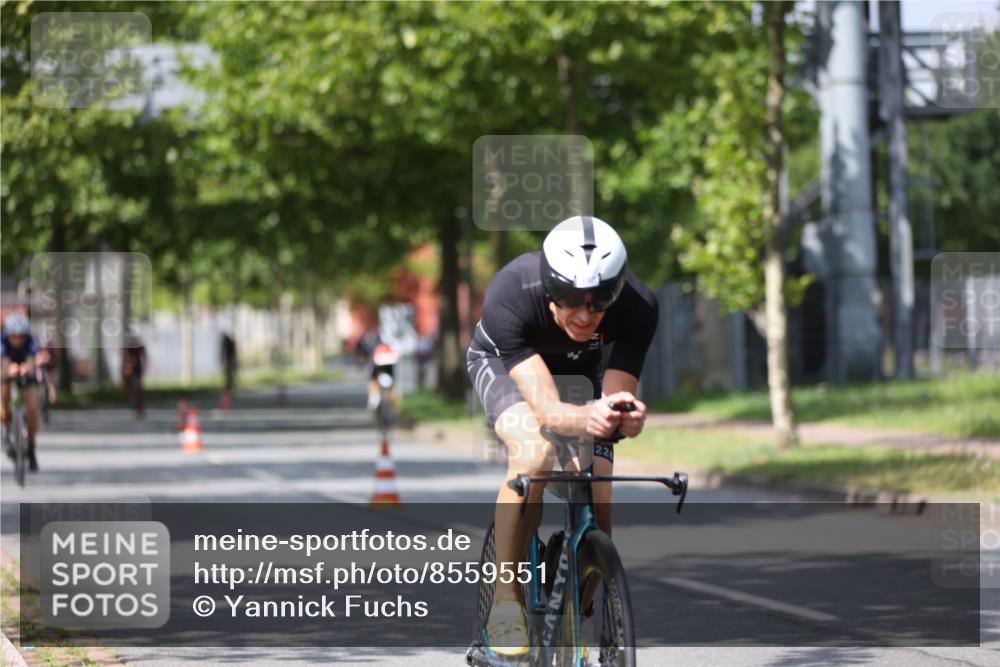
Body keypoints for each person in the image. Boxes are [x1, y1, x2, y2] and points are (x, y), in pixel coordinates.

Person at [465, 216, 658, 656]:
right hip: (508, 368)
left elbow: (612, 401)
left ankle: (576, 617)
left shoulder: (639, 306)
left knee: (598, 493)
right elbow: (549, 411)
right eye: (572, 299)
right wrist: (592, 416)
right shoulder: (512, 294)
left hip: (579, 372)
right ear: (551, 287)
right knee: (535, 452)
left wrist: (624, 417)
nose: (587, 314)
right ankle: (506, 598)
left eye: (601, 299)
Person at [1, 313, 41, 471]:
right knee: (3, 406)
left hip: (26, 373)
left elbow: (32, 361)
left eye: (21, 337)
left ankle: (31, 448)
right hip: (6, 372)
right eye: (14, 337)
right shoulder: (2, 341)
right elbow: (3, 363)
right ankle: (5, 432)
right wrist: (9, 371)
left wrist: (26, 369)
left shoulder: (30, 341)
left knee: (32, 409)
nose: (17, 340)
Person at [367, 343, 399, 411]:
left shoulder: (390, 357)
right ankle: (374, 398)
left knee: (391, 391)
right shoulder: (377, 358)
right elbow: (372, 378)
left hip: (387, 375)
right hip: (377, 373)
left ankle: (394, 406)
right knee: (374, 386)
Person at [121, 335, 147, 418]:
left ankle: (141, 406)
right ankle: (129, 397)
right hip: (129, 366)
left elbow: (145, 357)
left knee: (139, 386)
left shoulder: (140, 347)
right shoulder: (126, 347)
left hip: (137, 367)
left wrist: (144, 367)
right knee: (128, 384)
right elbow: (124, 358)